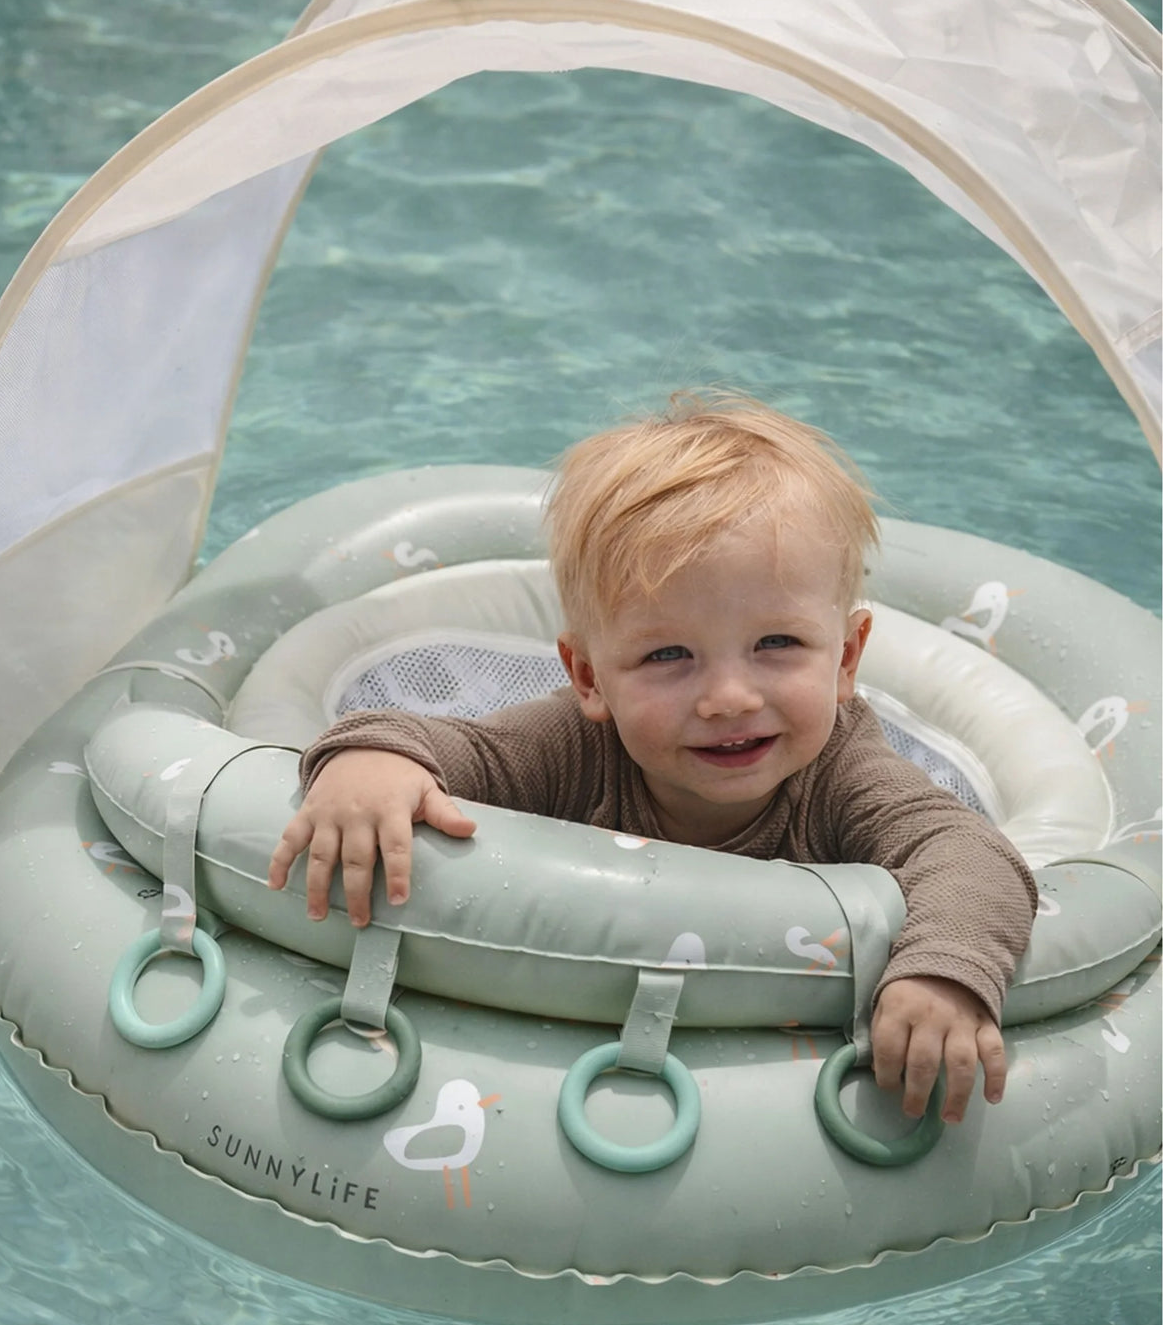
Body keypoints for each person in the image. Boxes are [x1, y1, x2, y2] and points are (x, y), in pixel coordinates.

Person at [267, 392, 1037, 1126]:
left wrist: (941, 972)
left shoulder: (841, 774)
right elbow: (451, 746)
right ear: (590, 678)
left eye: (778, 644)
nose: (729, 698)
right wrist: (367, 760)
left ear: (846, 659)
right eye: (669, 654)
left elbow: (966, 851)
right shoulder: (573, 745)